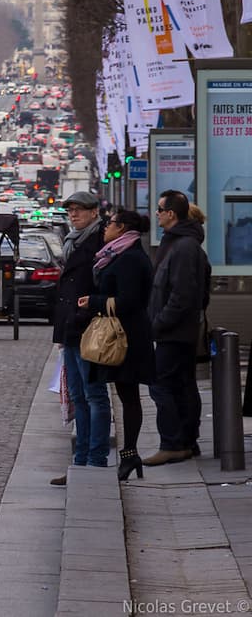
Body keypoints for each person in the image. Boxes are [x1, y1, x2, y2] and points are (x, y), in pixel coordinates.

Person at [77, 208, 155, 480]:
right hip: (120, 333)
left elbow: (130, 300)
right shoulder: (119, 253)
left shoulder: (131, 258)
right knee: (126, 394)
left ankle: (129, 455)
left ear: (121, 228)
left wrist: (95, 302)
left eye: (109, 223)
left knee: (129, 396)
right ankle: (129, 456)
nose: (105, 228)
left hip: (126, 337)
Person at [143, 190, 211, 466]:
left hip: (174, 331)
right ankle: (186, 441)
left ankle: (172, 443)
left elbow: (183, 295)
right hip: (175, 330)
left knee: (161, 385)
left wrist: (159, 324)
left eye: (160, 209)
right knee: (182, 385)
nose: (156, 213)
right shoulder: (177, 243)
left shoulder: (183, 247)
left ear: (171, 213)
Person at [50, 190, 108, 485]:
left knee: (94, 394)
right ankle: (81, 459)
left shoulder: (101, 241)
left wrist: (84, 315)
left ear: (94, 211)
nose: (74, 215)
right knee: (78, 396)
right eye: (71, 210)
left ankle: (96, 459)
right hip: (71, 328)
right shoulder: (73, 241)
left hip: (89, 327)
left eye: (80, 210)